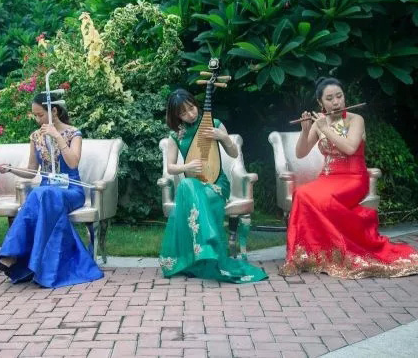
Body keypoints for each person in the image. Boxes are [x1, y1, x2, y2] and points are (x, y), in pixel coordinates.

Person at [280, 77, 418, 278]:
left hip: (354, 178)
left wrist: (325, 128)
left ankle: (337, 251)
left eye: (339, 96)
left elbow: (350, 148)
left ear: (344, 97)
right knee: (301, 194)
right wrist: (306, 130)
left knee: (325, 200)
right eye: (329, 99)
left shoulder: (355, 120)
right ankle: (313, 254)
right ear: (320, 102)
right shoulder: (319, 123)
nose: (336, 102)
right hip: (328, 178)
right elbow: (301, 153)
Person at [0, 92, 103, 288]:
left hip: (71, 190)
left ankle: (13, 255)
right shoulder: (36, 137)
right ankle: (27, 261)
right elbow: (31, 170)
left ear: (54, 111)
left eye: (41, 115)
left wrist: (57, 137)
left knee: (39, 194)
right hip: (45, 193)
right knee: (41, 193)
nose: (38, 120)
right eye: (35, 115)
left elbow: (73, 162)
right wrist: (10, 169)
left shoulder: (74, 133)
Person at [158, 89, 267, 283]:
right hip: (194, 182)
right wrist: (187, 167)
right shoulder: (176, 136)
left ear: (196, 104)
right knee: (187, 185)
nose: (190, 114)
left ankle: (209, 248)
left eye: (191, 108)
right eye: (183, 113)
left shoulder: (214, 124)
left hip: (216, 183)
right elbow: (171, 168)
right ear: (176, 116)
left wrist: (223, 137)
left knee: (188, 189)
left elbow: (234, 154)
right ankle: (206, 246)